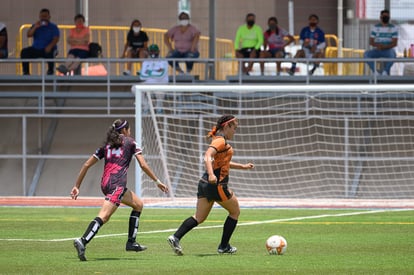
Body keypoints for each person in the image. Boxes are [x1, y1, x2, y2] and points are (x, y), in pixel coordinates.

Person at [71, 119, 169, 261]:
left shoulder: (107, 146)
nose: (130, 131)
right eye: (129, 129)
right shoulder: (130, 142)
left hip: (106, 183)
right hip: (117, 184)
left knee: (138, 204)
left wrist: (77, 186)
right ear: (125, 130)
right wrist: (157, 181)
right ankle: (83, 241)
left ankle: (131, 242)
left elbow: (86, 165)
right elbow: (143, 165)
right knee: (104, 216)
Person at [167, 115, 254, 255]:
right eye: (234, 128)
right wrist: (212, 174)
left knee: (199, 217)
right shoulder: (220, 141)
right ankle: (224, 246)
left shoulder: (219, 140)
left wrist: (242, 167)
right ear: (227, 127)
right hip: (217, 185)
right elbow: (207, 155)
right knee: (235, 211)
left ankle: (175, 237)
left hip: (204, 184)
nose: (235, 132)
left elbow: (222, 163)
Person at [20, 8, 60, 75]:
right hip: (36, 48)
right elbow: (29, 34)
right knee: (24, 52)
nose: (43, 18)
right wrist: (35, 27)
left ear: (49, 17)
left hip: (47, 48)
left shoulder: (53, 27)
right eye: (42, 16)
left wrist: (50, 46)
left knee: (50, 52)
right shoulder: (36, 25)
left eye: (45, 16)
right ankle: (26, 72)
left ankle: (50, 71)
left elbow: (56, 38)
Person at [363, 9, 398, 76]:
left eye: (387, 17)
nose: (385, 18)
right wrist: (378, 45)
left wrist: (385, 47)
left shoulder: (393, 28)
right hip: (377, 49)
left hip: (388, 50)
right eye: (384, 16)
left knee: (393, 55)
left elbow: (395, 43)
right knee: (366, 54)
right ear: (380, 17)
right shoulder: (375, 27)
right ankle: (375, 72)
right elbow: (371, 41)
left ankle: (385, 71)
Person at [139, 44, 169, 113]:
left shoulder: (163, 61)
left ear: (158, 51)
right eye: (151, 51)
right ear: (148, 52)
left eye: (154, 51)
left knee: (159, 92)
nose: (153, 53)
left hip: (161, 83)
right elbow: (142, 76)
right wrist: (156, 71)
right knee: (134, 88)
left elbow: (161, 75)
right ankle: (146, 106)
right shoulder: (146, 62)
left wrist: (149, 72)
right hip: (148, 83)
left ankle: (159, 108)